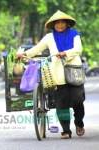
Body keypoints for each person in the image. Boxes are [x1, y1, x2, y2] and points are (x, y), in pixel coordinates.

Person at [17, 10, 85, 139]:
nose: (59, 25)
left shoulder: (74, 34)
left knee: (78, 100)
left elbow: (78, 49)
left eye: (62, 22)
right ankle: (66, 130)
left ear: (67, 24)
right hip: (58, 75)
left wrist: (65, 53)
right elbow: (36, 49)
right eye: (57, 23)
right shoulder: (49, 37)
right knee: (61, 102)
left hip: (74, 71)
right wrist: (24, 54)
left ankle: (79, 123)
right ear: (53, 25)